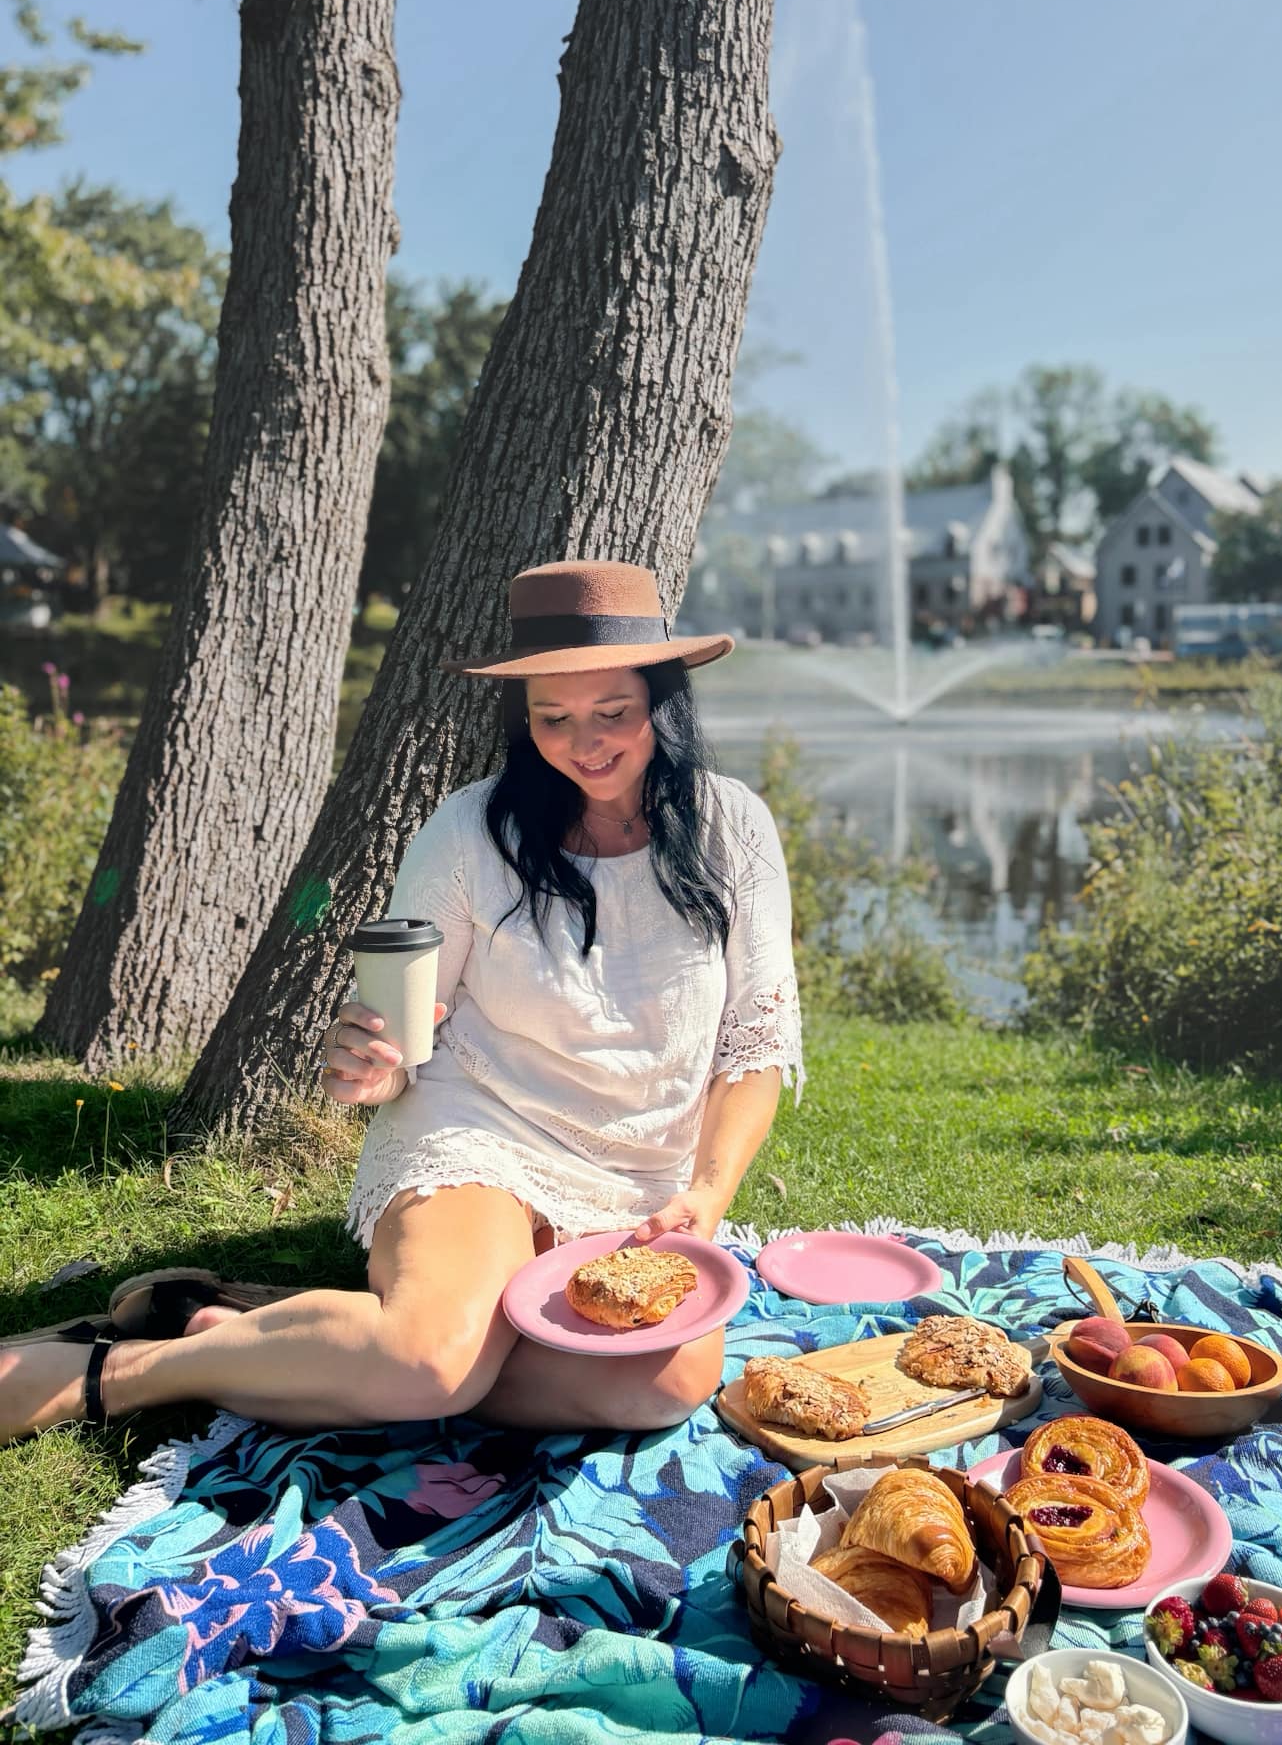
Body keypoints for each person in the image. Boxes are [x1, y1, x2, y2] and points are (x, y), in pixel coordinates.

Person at [0, 560, 802, 1443]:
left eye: (613, 713)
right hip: (481, 1134)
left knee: (661, 1388)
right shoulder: (467, 832)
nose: (586, 743)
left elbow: (754, 1051)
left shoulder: (734, 828)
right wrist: (375, 1066)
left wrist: (709, 1193)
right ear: (520, 718)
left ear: (663, 699)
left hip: (638, 1180)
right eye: (552, 717)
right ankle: (114, 1372)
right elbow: (403, 1028)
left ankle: (242, 1324)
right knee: (434, 1364)